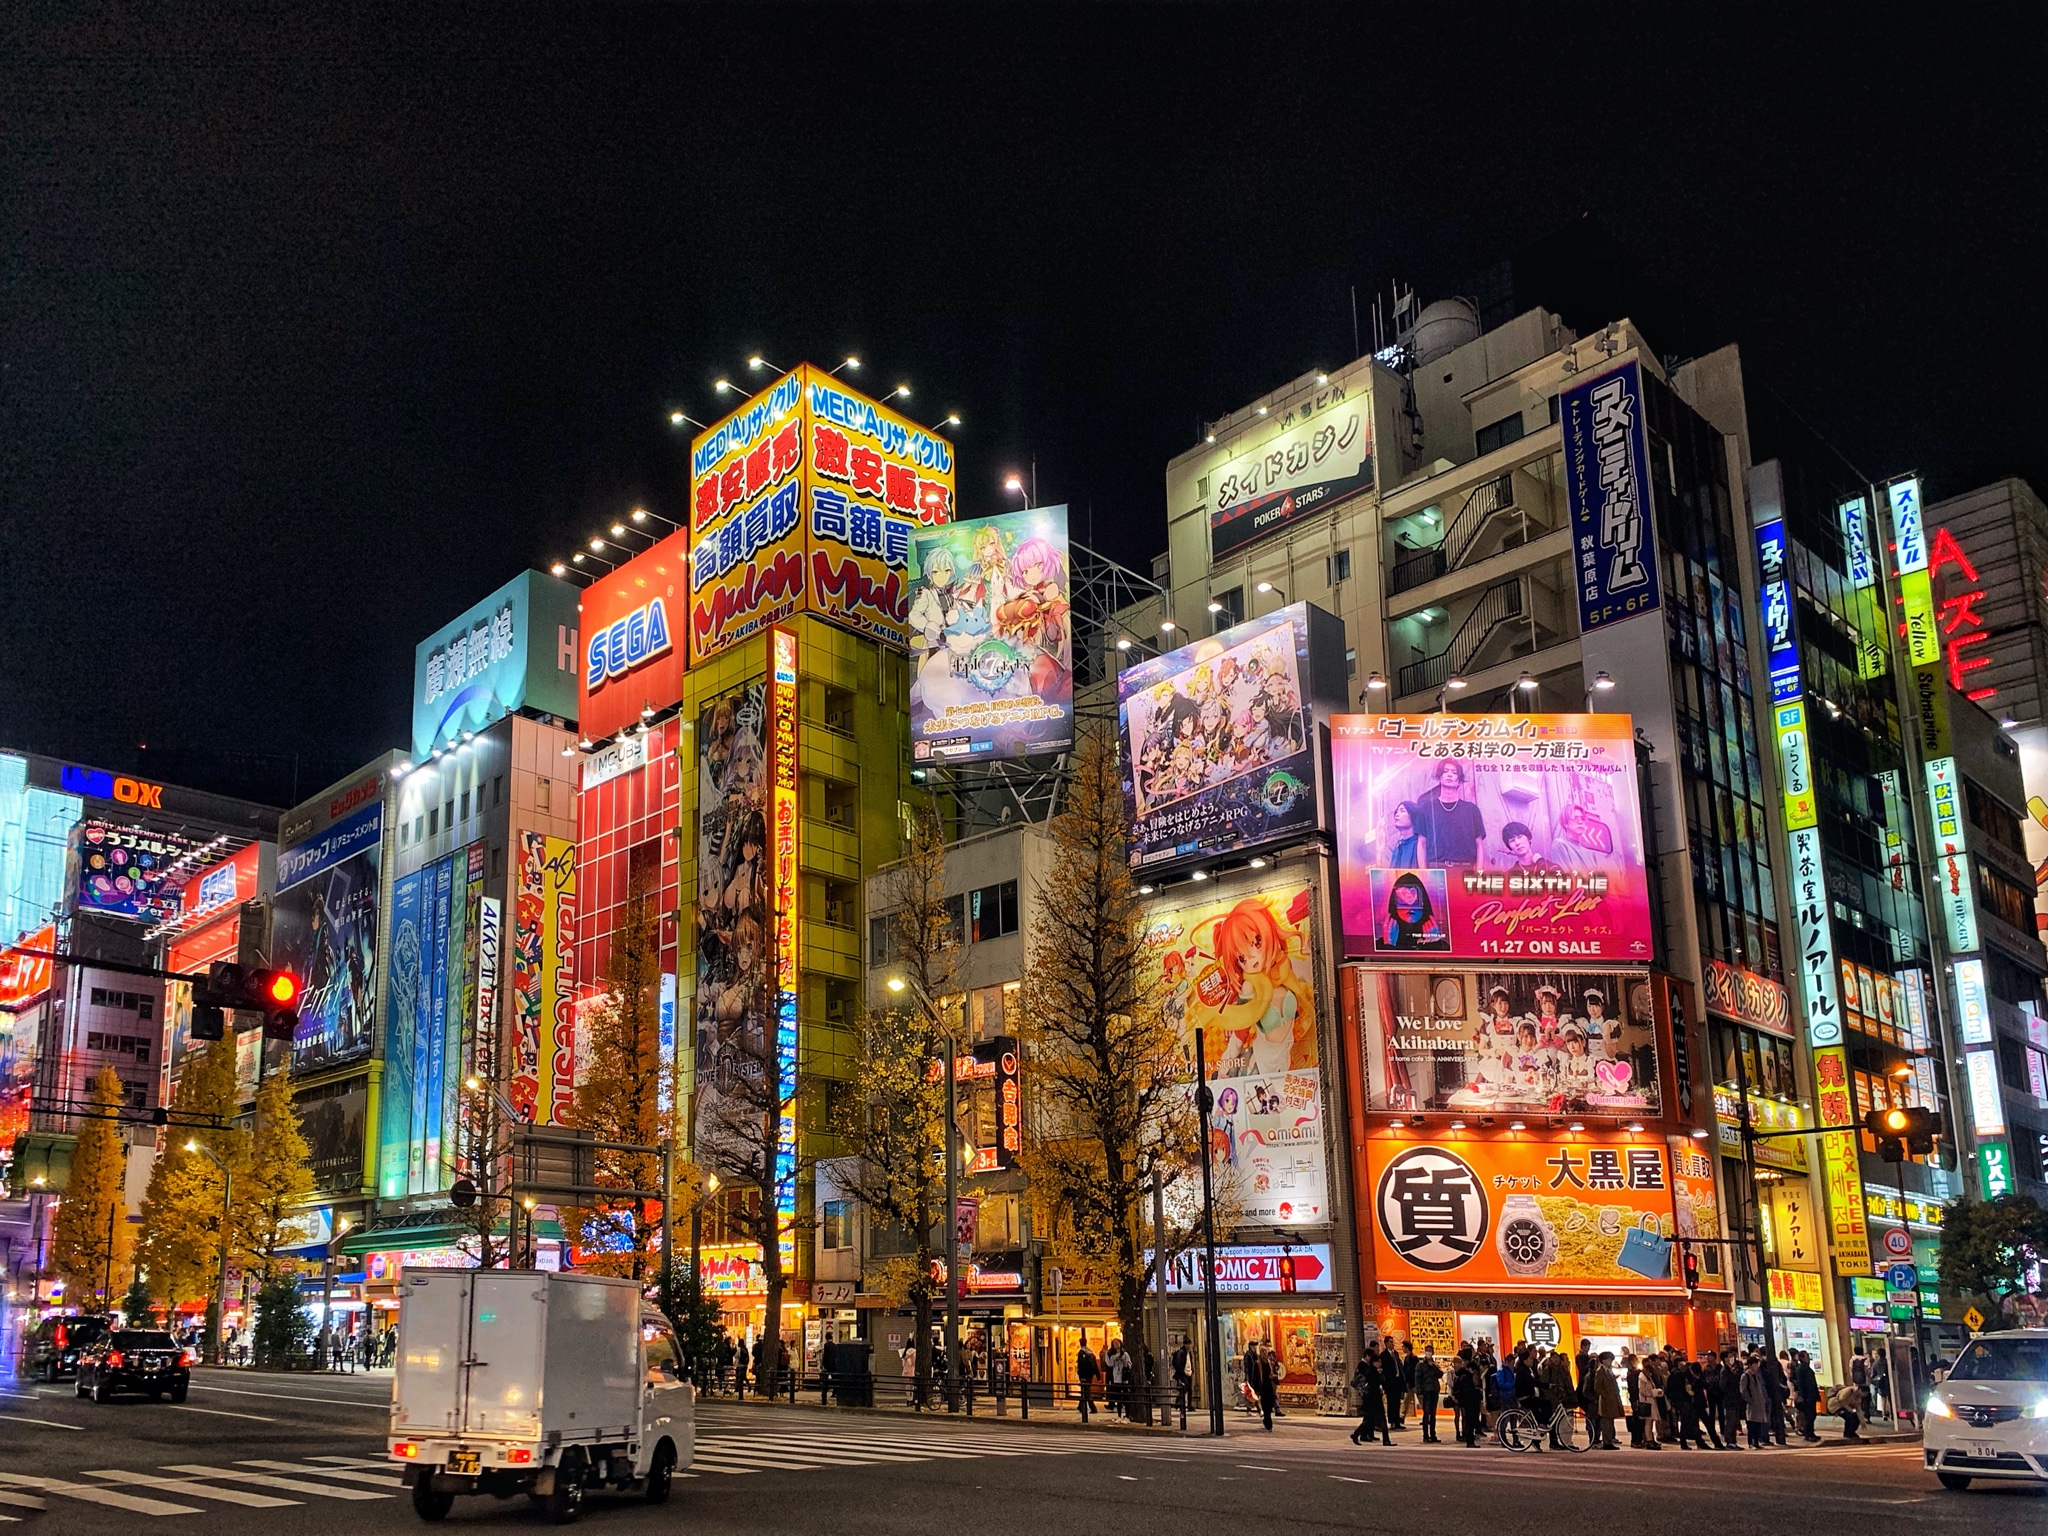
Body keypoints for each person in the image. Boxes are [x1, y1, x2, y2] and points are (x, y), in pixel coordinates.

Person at [1416, 759, 1485, 867]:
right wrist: (1424, 874)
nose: (1449, 775)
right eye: (1445, 771)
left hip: (1465, 869)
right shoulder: (1426, 809)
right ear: (1439, 778)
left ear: (1460, 781)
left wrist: (1479, 873)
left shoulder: (1472, 810)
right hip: (1436, 868)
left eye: (1454, 772)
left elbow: (1479, 845)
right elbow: (1421, 844)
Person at [1380, 872, 1448, 951]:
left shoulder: (1444, 947)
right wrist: (1388, 945)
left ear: (1424, 903)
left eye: (1416, 900)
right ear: (1394, 905)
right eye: (1402, 900)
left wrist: (1433, 944)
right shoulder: (1378, 946)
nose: (1410, 906)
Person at [1350, 1353, 1390, 1445]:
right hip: (1372, 1399)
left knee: (1375, 1420)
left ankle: (1386, 1440)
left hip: (1375, 1398)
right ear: (1374, 1362)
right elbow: (1376, 1383)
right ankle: (1357, 1434)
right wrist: (1379, 1374)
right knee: (1372, 1420)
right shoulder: (1371, 1371)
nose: (1380, 1364)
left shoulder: (1375, 1371)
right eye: (1378, 1362)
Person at [1590, 1352, 1624, 1449]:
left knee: (1610, 1421)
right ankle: (1607, 1442)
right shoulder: (1600, 1371)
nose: (1610, 1361)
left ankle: (1609, 1440)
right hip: (1605, 1400)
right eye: (1609, 1359)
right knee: (1606, 1422)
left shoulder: (1608, 1370)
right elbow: (1597, 1387)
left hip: (1611, 1399)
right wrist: (1605, 1395)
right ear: (1604, 1360)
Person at [1451, 1350, 1485, 1447]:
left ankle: (1470, 1439)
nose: (1474, 1372)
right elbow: (1467, 1391)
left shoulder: (1463, 1375)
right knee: (1470, 1421)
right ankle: (1470, 1440)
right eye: (1473, 1370)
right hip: (1469, 1402)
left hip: (1467, 1402)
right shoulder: (1465, 1377)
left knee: (1469, 1421)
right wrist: (1476, 1391)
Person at [1413, 1345, 1444, 1443]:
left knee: (1433, 1414)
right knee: (1426, 1414)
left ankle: (1433, 1434)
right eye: (1427, 1351)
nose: (1428, 1353)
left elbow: (1440, 1374)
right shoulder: (1420, 1364)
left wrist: (1433, 1366)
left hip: (1434, 1391)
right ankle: (1425, 1435)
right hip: (1425, 1391)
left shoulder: (1434, 1364)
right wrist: (1419, 1392)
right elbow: (1417, 1379)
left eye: (1430, 1351)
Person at [1382, 800, 1426, 868]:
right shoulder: (1398, 846)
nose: (1397, 814)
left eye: (1402, 811)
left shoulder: (1419, 844)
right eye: (1396, 812)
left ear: (1412, 815)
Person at [1741, 1355, 1772, 1449]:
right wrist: (1750, 1400)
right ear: (1750, 1365)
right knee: (1752, 1425)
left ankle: (1756, 1442)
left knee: (1758, 1424)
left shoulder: (1757, 1375)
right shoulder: (1746, 1376)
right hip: (1752, 1404)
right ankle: (1751, 1442)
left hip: (1759, 1402)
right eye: (1754, 1364)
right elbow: (1743, 1390)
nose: (1756, 1366)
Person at [1791, 1349, 1821, 1442]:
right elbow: (1802, 1384)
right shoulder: (1802, 1369)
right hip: (1807, 1396)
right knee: (1809, 1415)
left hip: (1811, 1395)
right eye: (1807, 1356)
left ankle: (1810, 1432)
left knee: (1812, 1415)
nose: (1808, 1358)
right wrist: (1804, 1396)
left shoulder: (1806, 1368)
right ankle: (1808, 1433)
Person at [1763, 1349, 1791, 1446]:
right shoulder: (1772, 1364)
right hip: (1775, 1391)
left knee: (1777, 1410)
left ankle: (1778, 1429)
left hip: (1776, 1391)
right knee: (1777, 1410)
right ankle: (1779, 1429)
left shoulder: (1773, 1364)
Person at [1247, 1342, 1276, 1432]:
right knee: (1266, 1407)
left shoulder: (1270, 1363)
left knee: (1271, 1404)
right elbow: (1254, 1377)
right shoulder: (1257, 1364)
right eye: (1263, 1351)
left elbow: (1276, 1374)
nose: (1264, 1353)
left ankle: (1266, 1420)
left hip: (1270, 1388)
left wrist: (1273, 1376)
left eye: (1266, 1351)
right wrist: (1255, 1389)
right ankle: (1268, 1424)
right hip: (1262, 1388)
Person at [1379, 1338, 1405, 1430]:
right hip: (1390, 1382)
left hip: (1397, 1381)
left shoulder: (1396, 1354)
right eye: (1390, 1342)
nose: (1392, 1343)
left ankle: (1397, 1421)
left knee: (1397, 1402)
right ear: (1386, 1343)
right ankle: (1392, 1421)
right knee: (1391, 1402)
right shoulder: (1383, 1355)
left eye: (1393, 1342)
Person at [1834, 1378, 1866, 1442]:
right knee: (1849, 1417)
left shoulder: (1858, 1397)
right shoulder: (1848, 1391)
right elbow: (1842, 1400)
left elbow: (1858, 1409)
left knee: (1856, 1417)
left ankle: (1851, 1432)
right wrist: (1850, 1410)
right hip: (1837, 1407)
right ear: (1859, 1389)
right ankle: (1847, 1433)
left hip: (1848, 1408)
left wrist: (1862, 1421)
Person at [1076, 1340, 1099, 1422]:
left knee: (1086, 1391)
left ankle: (1092, 1408)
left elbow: (1080, 1365)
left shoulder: (1081, 1353)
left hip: (1084, 1375)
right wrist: (1097, 1374)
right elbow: (1094, 1364)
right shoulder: (1090, 1352)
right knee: (1085, 1390)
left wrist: (1079, 1374)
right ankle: (1081, 1406)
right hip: (1090, 1374)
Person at [1172, 1339, 1192, 1412]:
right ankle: (1179, 1404)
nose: (1190, 1346)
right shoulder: (1181, 1353)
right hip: (1183, 1374)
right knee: (1184, 1389)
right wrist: (1181, 1372)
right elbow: (1178, 1363)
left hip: (1188, 1373)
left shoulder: (1189, 1353)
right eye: (1189, 1344)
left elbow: (1189, 1362)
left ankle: (1188, 1405)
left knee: (1188, 1389)